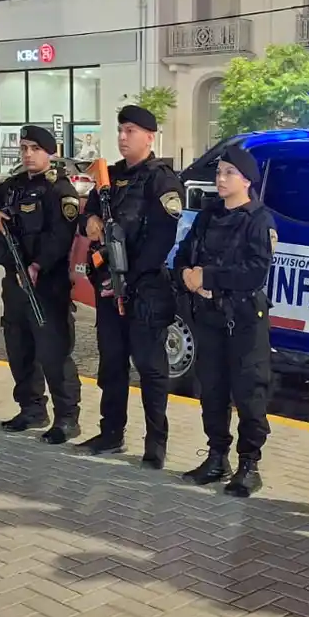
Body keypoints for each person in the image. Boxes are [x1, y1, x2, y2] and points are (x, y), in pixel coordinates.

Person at [79, 104, 183, 468]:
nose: (123, 138)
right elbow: (85, 217)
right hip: (109, 285)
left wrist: (133, 278)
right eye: (121, 130)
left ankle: (155, 444)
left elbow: (162, 237)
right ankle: (111, 432)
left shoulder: (161, 179)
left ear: (149, 137)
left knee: (151, 369)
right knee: (111, 364)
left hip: (145, 287)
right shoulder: (109, 178)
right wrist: (90, 221)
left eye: (131, 132)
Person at [176, 144, 276, 497]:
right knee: (213, 391)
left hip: (245, 319)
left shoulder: (259, 220)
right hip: (210, 318)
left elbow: (254, 272)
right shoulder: (208, 215)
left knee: (249, 393)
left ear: (246, 180)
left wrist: (208, 278)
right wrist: (188, 275)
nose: (220, 179)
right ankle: (217, 457)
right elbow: (184, 256)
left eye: (228, 173)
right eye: (219, 173)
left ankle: (249, 465)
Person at [0, 125, 82, 444]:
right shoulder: (11, 187)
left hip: (47, 285)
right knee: (19, 347)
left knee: (53, 352)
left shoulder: (60, 190)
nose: (27, 154)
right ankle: (32, 408)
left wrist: (38, 265)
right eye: (23, 148)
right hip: (14, 282)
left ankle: (68, 418)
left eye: (34, 149)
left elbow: (62, 236)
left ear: (49, 153)